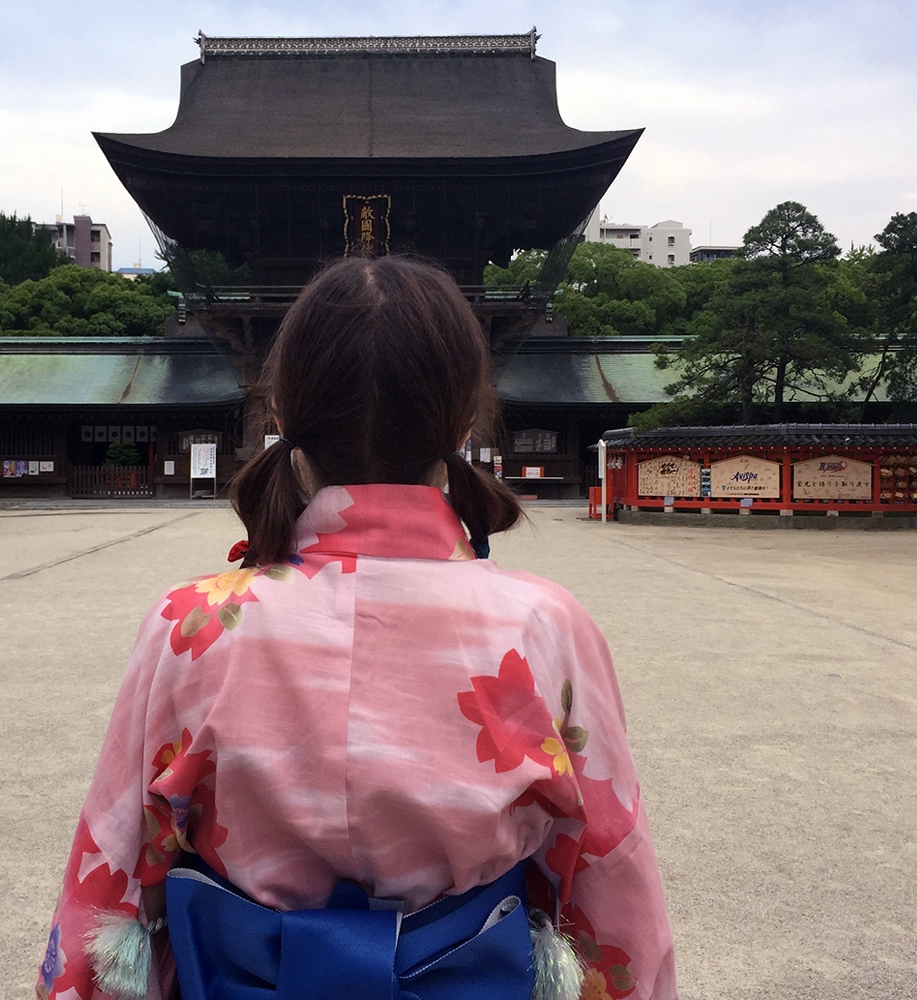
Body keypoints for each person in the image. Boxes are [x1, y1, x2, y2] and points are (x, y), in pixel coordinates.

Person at [38, 256, 676, 1000]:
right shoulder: (547, 626)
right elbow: (609, 875)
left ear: (282, 417)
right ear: (464, 424)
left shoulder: (191, 623)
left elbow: (112, 869)